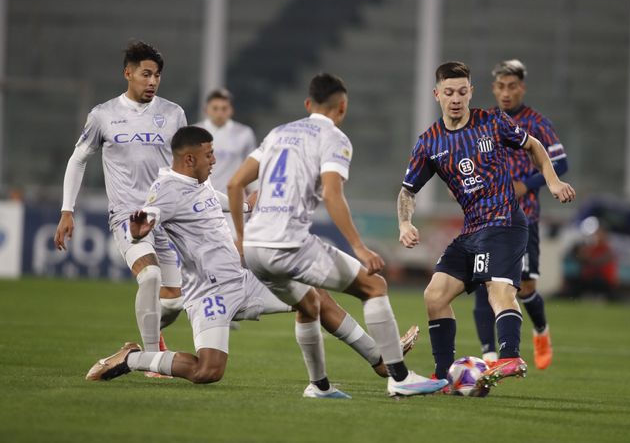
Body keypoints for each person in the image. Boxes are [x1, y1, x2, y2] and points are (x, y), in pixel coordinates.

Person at [85, 126, 417, 384]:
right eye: (209, 155)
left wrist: (259, 198)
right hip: (209, 293)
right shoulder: (167, 190)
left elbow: (230, 203)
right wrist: (141, 228)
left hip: (244, 279)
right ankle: (131, 357)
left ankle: (380, 361)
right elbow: (150, 213)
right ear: (189, 159)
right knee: (208, 371)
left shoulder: (198, 184)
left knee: (314, 297)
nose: (214, 160)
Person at [228, 73, 448, 398]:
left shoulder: (278, 133)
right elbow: (333, 194)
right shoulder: (335, 138)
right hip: (289, 244)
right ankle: (399, 377)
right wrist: (359, 247)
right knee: (374, 286)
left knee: (308, 304)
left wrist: (241, 238)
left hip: (256, 249)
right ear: (342, 107)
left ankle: (319, 386)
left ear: (307, 104)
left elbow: (235, 184)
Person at [397, 61, 575, 390]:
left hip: (506, 222)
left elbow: (534, 145)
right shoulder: (429, 143)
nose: (456, 99)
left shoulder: (491, 122)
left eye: (462, 92)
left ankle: (509, 356)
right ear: (437, 94)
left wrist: (550, 182)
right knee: (434, 296)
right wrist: (405, 222)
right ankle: (442, 375)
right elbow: (407, 191)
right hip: (472, 231)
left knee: (499, 287)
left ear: (471, 93)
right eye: (449, 92)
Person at [54, 41, 185, 360]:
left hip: (165, 217)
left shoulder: (173, 113)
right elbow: (78, 158)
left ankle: (144, 341)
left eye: (157, 75)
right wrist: (67, 209)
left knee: (173, 301)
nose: (152, 81)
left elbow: (185, 166)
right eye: (146, 74)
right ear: (128, 73)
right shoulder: (103, 115)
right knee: (150, 276)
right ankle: (152, 359)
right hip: (128, 215)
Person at [472, 59, 568, 370]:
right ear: (493, 89)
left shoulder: (537, 124)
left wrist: (527, 185)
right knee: (485, 283)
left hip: (524, 219)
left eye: (512, 86)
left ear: (522, 88)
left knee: (525, 289)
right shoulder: (484, 122)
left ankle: (541, 330)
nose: (506, 92)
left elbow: (560, 165)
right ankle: (488, 358)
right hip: (487, 218)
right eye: (501, 86)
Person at [195, 88, 257, 194]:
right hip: (202, 198)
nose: (219, 113)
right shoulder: (194, 133)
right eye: (215, 108)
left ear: (231, 110)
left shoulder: (244, 133)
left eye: (224, 108)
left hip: (234, 199)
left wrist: (255, 193)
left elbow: (251, 168)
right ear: (206, 109)